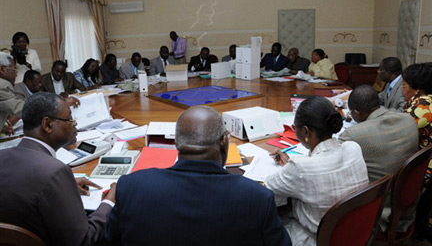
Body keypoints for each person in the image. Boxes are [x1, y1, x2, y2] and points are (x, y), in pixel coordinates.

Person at [104, 105, 291, 246]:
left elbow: (110, 240)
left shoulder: (130, 187)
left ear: (177, 143)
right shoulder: (257, 197)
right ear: (224, 142)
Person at [0, 92, 116, 246]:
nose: (75, 124)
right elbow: (84, 240)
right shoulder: (54, 171)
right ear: (47, 125)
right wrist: (109, 202)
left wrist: (63, 186)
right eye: (69, 119)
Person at [264, 96, 368, 246]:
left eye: (295, 129)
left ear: (306, 132)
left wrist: (290, 169)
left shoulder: (300, 168)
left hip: (315, 240)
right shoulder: (353, 148)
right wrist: (290, 168)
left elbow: (266, 191)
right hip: (353, 235)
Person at [339, 85, 418, 182]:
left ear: (356, 113)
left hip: (379, 194)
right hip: (408, 187)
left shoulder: (354, 134)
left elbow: (331, 162)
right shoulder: (409, 120)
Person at [401, 62, 432, 149]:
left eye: (404, 85)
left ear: (417, 89)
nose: (401, 89)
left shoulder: (423, 104)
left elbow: (400, 131)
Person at [0, 52, 24, 135]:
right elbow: (21, 109)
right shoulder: (2, 85)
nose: (16, 73)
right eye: (14, 69)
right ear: (2, 69)